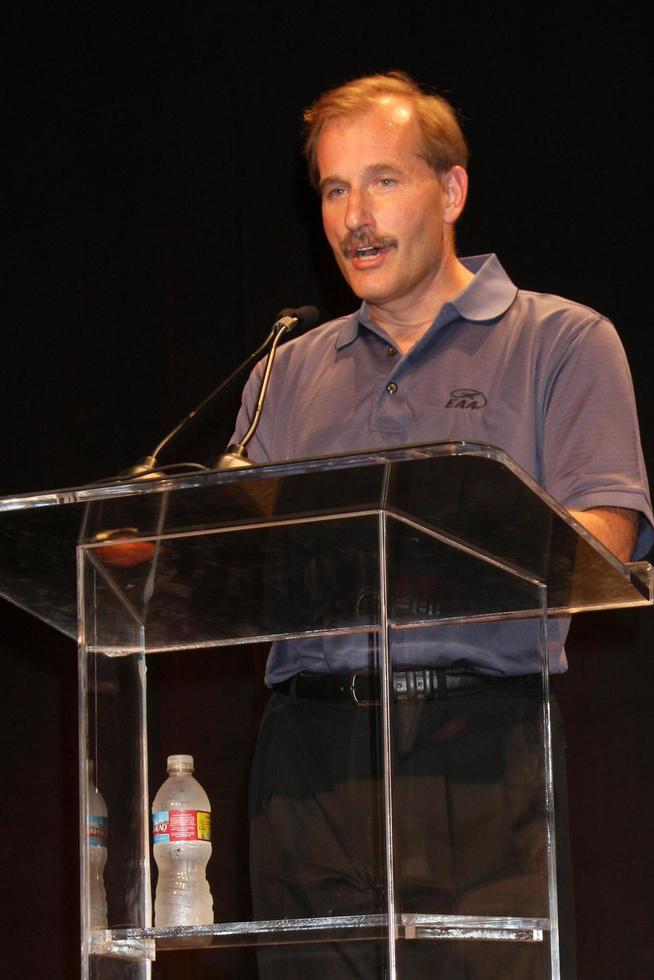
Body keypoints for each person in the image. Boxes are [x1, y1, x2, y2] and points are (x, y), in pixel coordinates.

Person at [230, 72, 653, 979]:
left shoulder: (562, 341)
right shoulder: (287, 370)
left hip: (473, 745)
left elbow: (603, 543)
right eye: (335, 190)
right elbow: (229, 567)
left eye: (382, 180)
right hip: (303, 759)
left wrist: (414, 554)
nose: (354, 218)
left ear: (451, 190)